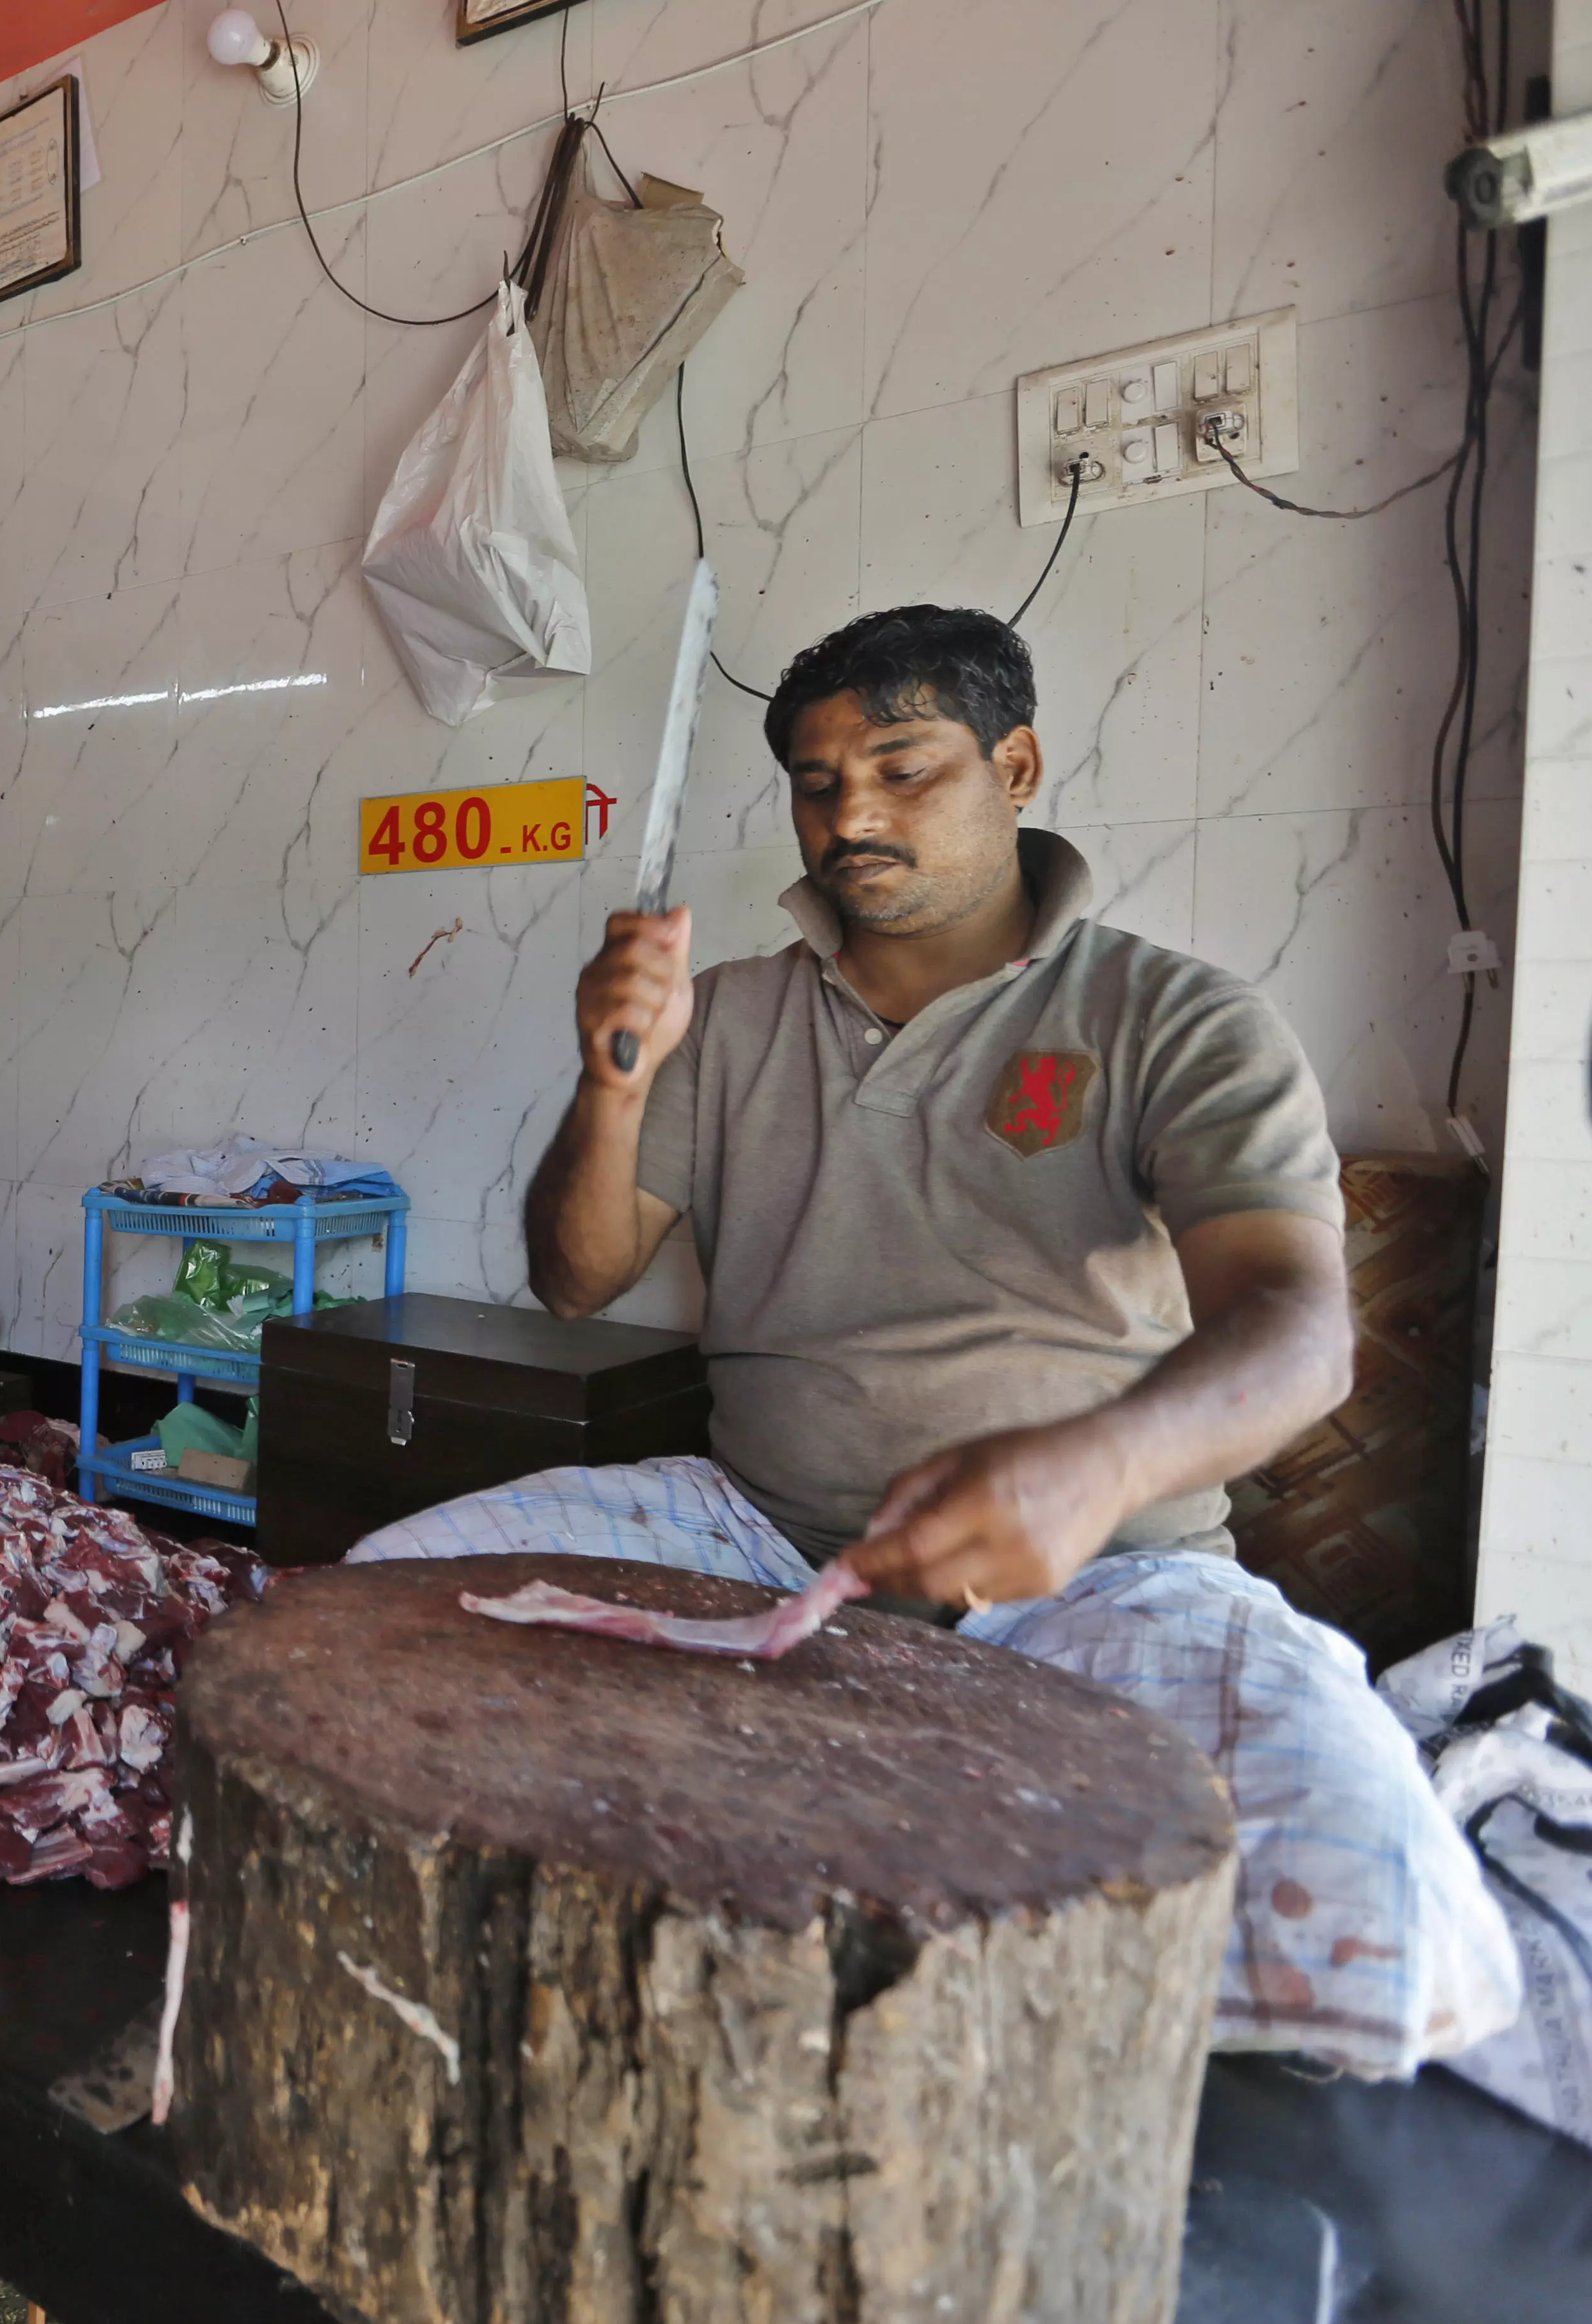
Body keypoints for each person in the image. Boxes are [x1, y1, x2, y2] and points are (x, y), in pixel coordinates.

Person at [356, 604, 1517, 2077]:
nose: (850, 815)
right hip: (753, 1535)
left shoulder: (1168, 1017)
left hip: (1111, 1575)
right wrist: (610, 1082)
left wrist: (1090, 1474)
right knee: (375, 1624)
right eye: (816, 780)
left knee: (1371, 1904)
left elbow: (1295, 1336)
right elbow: (573, 1282)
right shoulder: (720, 1021)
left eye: (902, 769)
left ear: (1013, 765)